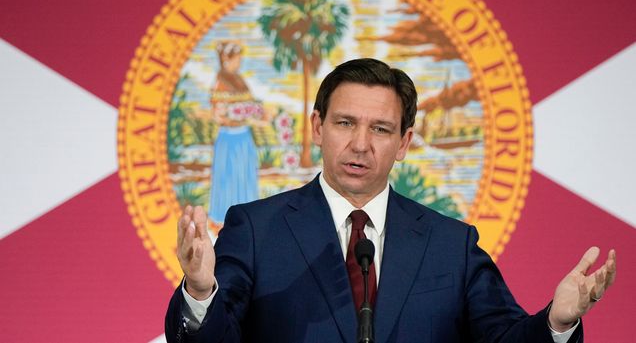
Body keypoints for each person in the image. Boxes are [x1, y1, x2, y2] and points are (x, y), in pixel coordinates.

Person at [166, 58, 616, 343]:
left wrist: (557, 324)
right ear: (316, 127)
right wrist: (202, 291)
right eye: (345, 123)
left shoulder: (451, 244)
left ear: (404, 143)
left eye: (380, 129)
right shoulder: (257, 229)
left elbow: (504, 339)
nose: (360, 144)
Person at [208, 42, 262, 224]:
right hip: (229, 138)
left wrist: (253, 112)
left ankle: (248, 220)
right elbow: (217, 114)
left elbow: (251, 105)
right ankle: (223, 220)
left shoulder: (240, 80)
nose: (239, 63)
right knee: (228, 179)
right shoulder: (220, 82)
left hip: (243, 136)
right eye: (236, 59)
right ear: (226, 60)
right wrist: (232, 115)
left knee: (244, 177)